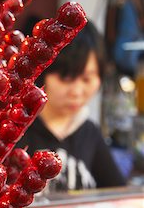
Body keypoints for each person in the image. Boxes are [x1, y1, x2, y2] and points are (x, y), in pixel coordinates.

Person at [19, 21, 126, 192]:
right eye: (66, 79)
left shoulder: (89, 131)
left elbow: (118, 193)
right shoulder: (16, 129)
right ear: (42, 74)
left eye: (87, 79)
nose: (76, 92)